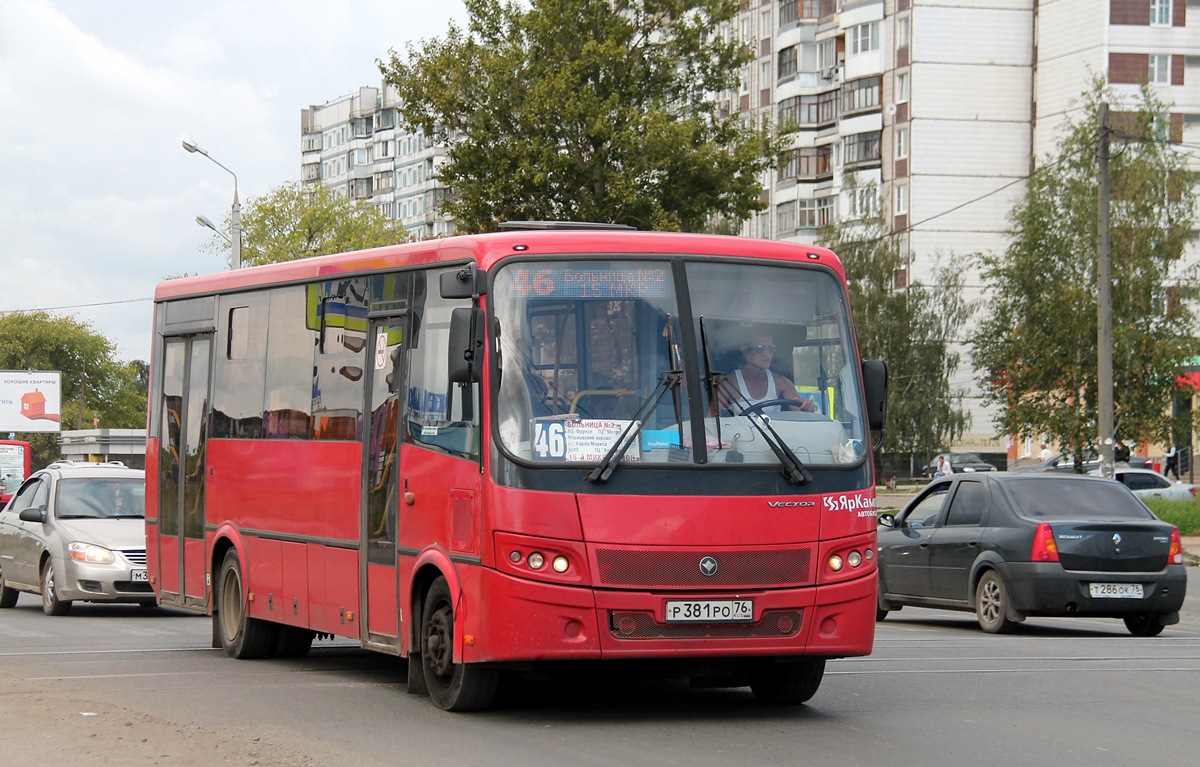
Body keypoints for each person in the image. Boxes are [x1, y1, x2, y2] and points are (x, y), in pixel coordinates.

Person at [718, 333, 816, 414]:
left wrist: (806, 407)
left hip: (775, 437)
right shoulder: (729, 383)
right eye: (760, 348)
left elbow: (800, 411)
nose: (767, 354)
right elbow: (711, 422)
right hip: (742, 437)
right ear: (744, 350)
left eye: (771, 349)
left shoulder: (782, 382)